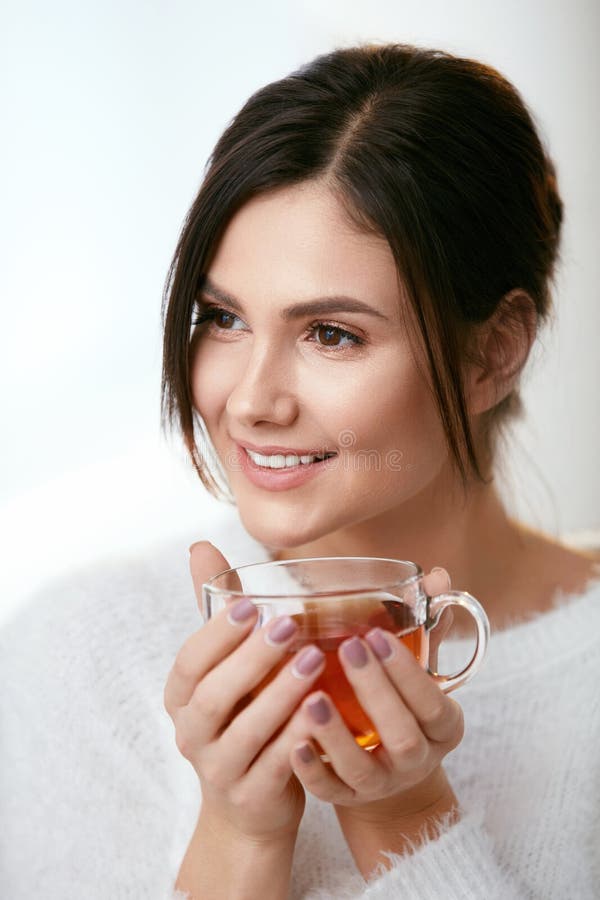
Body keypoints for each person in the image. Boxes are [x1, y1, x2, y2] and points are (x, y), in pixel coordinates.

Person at [1, 41, 599, 900]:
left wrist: (406, 824)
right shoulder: (76, 656)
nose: (250, 401)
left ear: (492, 355)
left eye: (332, 334)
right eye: (223, 317)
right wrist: (237, 839)